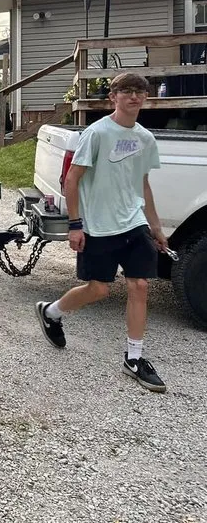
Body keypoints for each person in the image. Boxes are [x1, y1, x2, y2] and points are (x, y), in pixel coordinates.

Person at [35, 72, 168, 393]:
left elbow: (143, 184)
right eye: (126, 91)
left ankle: (134, 358)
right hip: (98, 225)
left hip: (133, 223)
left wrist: (156, 226)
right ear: (113, 97)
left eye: (139, 91)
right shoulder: (96, 134)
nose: (133, 97)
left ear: (146, 98)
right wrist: (75, 224)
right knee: (98, 290)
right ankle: (51, 312)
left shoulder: (146, 139)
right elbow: (72, 180)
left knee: (139, 285)